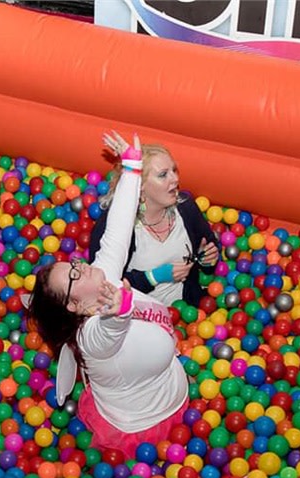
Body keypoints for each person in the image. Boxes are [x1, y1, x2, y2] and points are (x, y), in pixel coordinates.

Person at [27, 132, 189, 458]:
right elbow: (110, 331)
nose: (80, 266)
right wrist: (120, 310)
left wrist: (131, 168)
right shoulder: (91, 337)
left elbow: (118, 225)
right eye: (73, 276)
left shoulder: (105, 277)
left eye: (72, 263)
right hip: (144, 423)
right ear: (75, 305)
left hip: (171, 389)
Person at [88, 135, 219, 308]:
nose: (175, 179)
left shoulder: (186, 207)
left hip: (188, 313)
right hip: (135, 317)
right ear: (140, 186)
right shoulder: (115, 225)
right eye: (163, 175)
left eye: (174, 170)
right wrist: (153, 277)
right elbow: (102, 288)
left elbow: (208, 245)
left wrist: (207, 258)